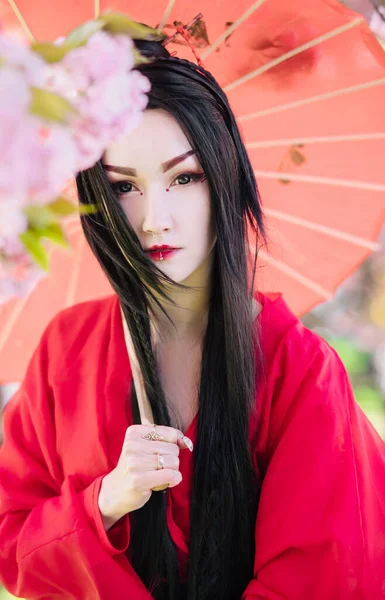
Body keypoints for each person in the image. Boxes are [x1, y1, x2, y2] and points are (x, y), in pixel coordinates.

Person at [0, 34, 385, 600]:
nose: (156, 219)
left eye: (184, 177)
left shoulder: (300, 369)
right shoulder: (67, 347)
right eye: (124, 187)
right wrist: (105, 500)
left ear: (225, 175)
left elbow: (322, 576)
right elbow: (12, 540)